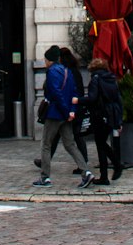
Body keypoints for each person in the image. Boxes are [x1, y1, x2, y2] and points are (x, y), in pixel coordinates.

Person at [34, 45, 93, 188]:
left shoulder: (52, 72)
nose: (45, 62)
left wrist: (66, 111)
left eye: (45, 59)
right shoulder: (67, 71)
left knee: (46, 145)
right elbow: (74, 93)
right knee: (70, 144)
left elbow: (55, 93)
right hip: (66, 115)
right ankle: (86, 172)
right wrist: (71, 111)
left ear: (50, 60)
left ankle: (45, 177)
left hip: (55, 114)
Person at [87, 56, 124, 184]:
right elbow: (119, 100)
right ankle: (104, 176)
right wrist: (119, 120)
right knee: (101, 143)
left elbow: (92, 98)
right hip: (111, 115)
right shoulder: (112, 79)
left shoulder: (95, 79)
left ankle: (116, 165)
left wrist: (78, 100)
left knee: (101, 143)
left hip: (99, 114)